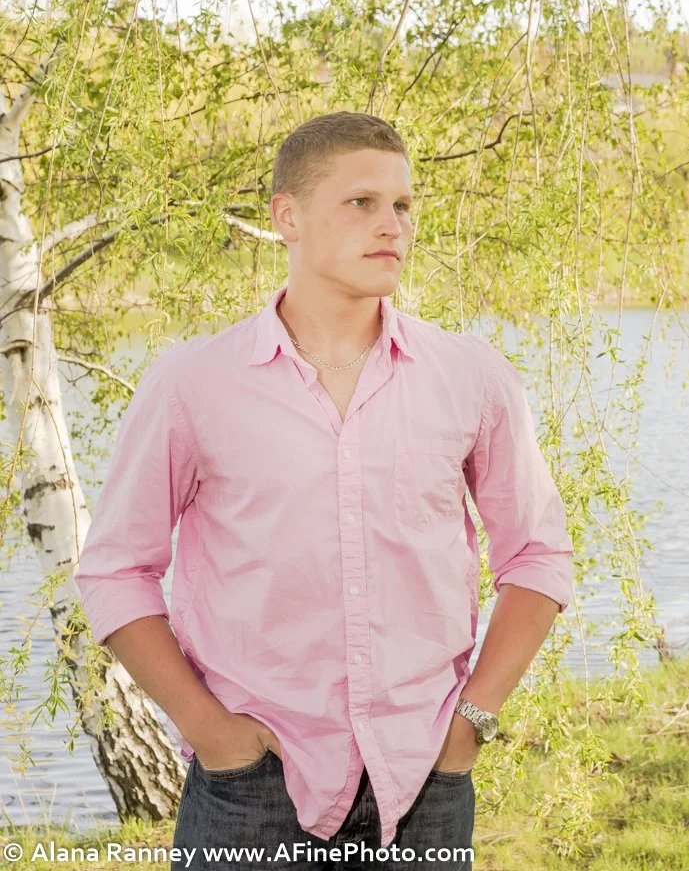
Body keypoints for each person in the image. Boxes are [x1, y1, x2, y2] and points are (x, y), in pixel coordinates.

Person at [74, 111, 574, 870]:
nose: (392, 226)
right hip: (252, 784)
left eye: (403, 205)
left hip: (425, 782)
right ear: (287, 218)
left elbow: (537, 557)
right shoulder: (193, 385)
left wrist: (471, 722)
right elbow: (114, 571)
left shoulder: (469, 377)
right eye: (360, 203)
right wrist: (211, 732)